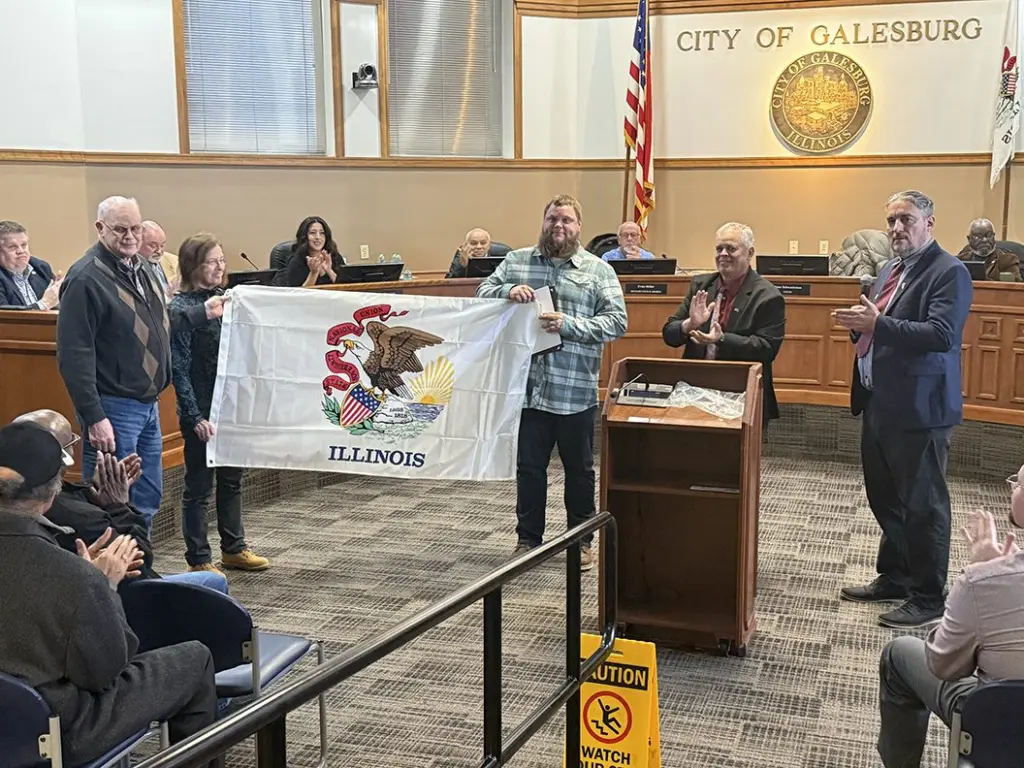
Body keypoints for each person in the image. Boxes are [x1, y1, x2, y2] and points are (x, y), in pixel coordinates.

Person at [0, 421, 219, 767]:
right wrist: (103, 584)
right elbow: (105, 672)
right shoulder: (73, 576)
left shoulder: (69, 571)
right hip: (54, 731)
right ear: (53, 493)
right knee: (195, 657)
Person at [835, 190, 973, 628]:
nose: (896, 228)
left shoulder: (949, 272)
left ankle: (930, 595)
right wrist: (861, 329)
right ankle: (896, 575)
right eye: (892, 220)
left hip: (921, 409)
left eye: (906, 220)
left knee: (924, 504)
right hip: (879, 400)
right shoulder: (889, 270)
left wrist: (878, 324)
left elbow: (940, 334)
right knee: (886, 496)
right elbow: (881, 327)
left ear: (929, 223)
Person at [56, 196, 229, 529]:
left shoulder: (144, 268)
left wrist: (201, 313)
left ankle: (140, 569)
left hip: (148, 405)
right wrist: (94, 417)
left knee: (146, 499)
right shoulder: (85, 279)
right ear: (100, 228)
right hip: (113, 407)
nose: (130, 236)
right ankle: (112, 577)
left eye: (135, 228)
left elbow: (160, 322)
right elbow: (74, 356)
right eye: (120, 229)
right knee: (110, 503)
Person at [477, 194, 627, 570]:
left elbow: (617, 322)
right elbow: (481, 294)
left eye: (567, 221)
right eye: (552, 219)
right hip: (528, 391)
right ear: (543, 222)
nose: (559, 226)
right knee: (529, 470)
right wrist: (507, 292)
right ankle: (528, 541)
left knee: (579, 472)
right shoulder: (516, 262)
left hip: (574, 391)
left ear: (579, 227)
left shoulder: (598, 271)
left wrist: (570, 325)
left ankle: (581, 543)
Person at [10, 408, 229, 592]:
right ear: (65, 456)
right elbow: (142, 560)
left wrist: (92, 486)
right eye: (72, 444)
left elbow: (63, 494)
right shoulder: (85, 518)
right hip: (126, 598)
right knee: (214, 582)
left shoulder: (19, 499)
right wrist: (119, 505)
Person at [876, 497, 1024, 767]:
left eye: (1019, 484)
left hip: (1001, 728)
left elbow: (942, 665)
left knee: (897, 655)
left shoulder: (983, 582)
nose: (1013, 488)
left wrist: (984, 576)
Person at [171, 234, 269, 575]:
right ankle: (199, 557)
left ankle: (234, 548)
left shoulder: (228, 301)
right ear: (193, 265)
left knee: (232, 480)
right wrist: (194, 414)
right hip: (200, 408)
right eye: (212, 261)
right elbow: (178, 367)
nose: (220, 267)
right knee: (199, 487)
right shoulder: (183, 309)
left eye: (222, 261)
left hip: (231, 406)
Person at [662, 222, 786, 424]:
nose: (723, 254)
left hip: (741, 392)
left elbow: (766, 349)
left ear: (749, 252)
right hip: (695, 391)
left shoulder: (767, 296)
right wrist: (689, 324)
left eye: (731, 248)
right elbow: (669, 334)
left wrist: (721, 339)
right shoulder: (701, 286)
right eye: (719, 248)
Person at [0, 220, 63, 310]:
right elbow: (5, 318)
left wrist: (61, 295)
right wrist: (44, 304)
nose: (21, 251)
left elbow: (55, 306)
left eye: (24, 245)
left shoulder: (41, 268)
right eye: (12, 247)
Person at [274, 216, 346, 287]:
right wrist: (314, 273)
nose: (318, 237)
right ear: (304, 237)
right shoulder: (296, 262)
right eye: (312, 233)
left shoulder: (334, 257)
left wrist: (329, 271)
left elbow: (347, 289)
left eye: (322, 233)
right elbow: (299, 294)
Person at [955, 218, 1021, 281]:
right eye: (978, 236)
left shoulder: (1008, 260)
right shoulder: (959, 261)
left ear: (994, 236)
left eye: (988, 235)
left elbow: (1015, 288)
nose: (984, 240)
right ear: (969, 239)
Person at [139, 220, 181, 300]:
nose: (159, 251)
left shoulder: (175, 261)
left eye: (162, 245)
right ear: (138, 243)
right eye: (153, 246)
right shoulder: (131, 268)